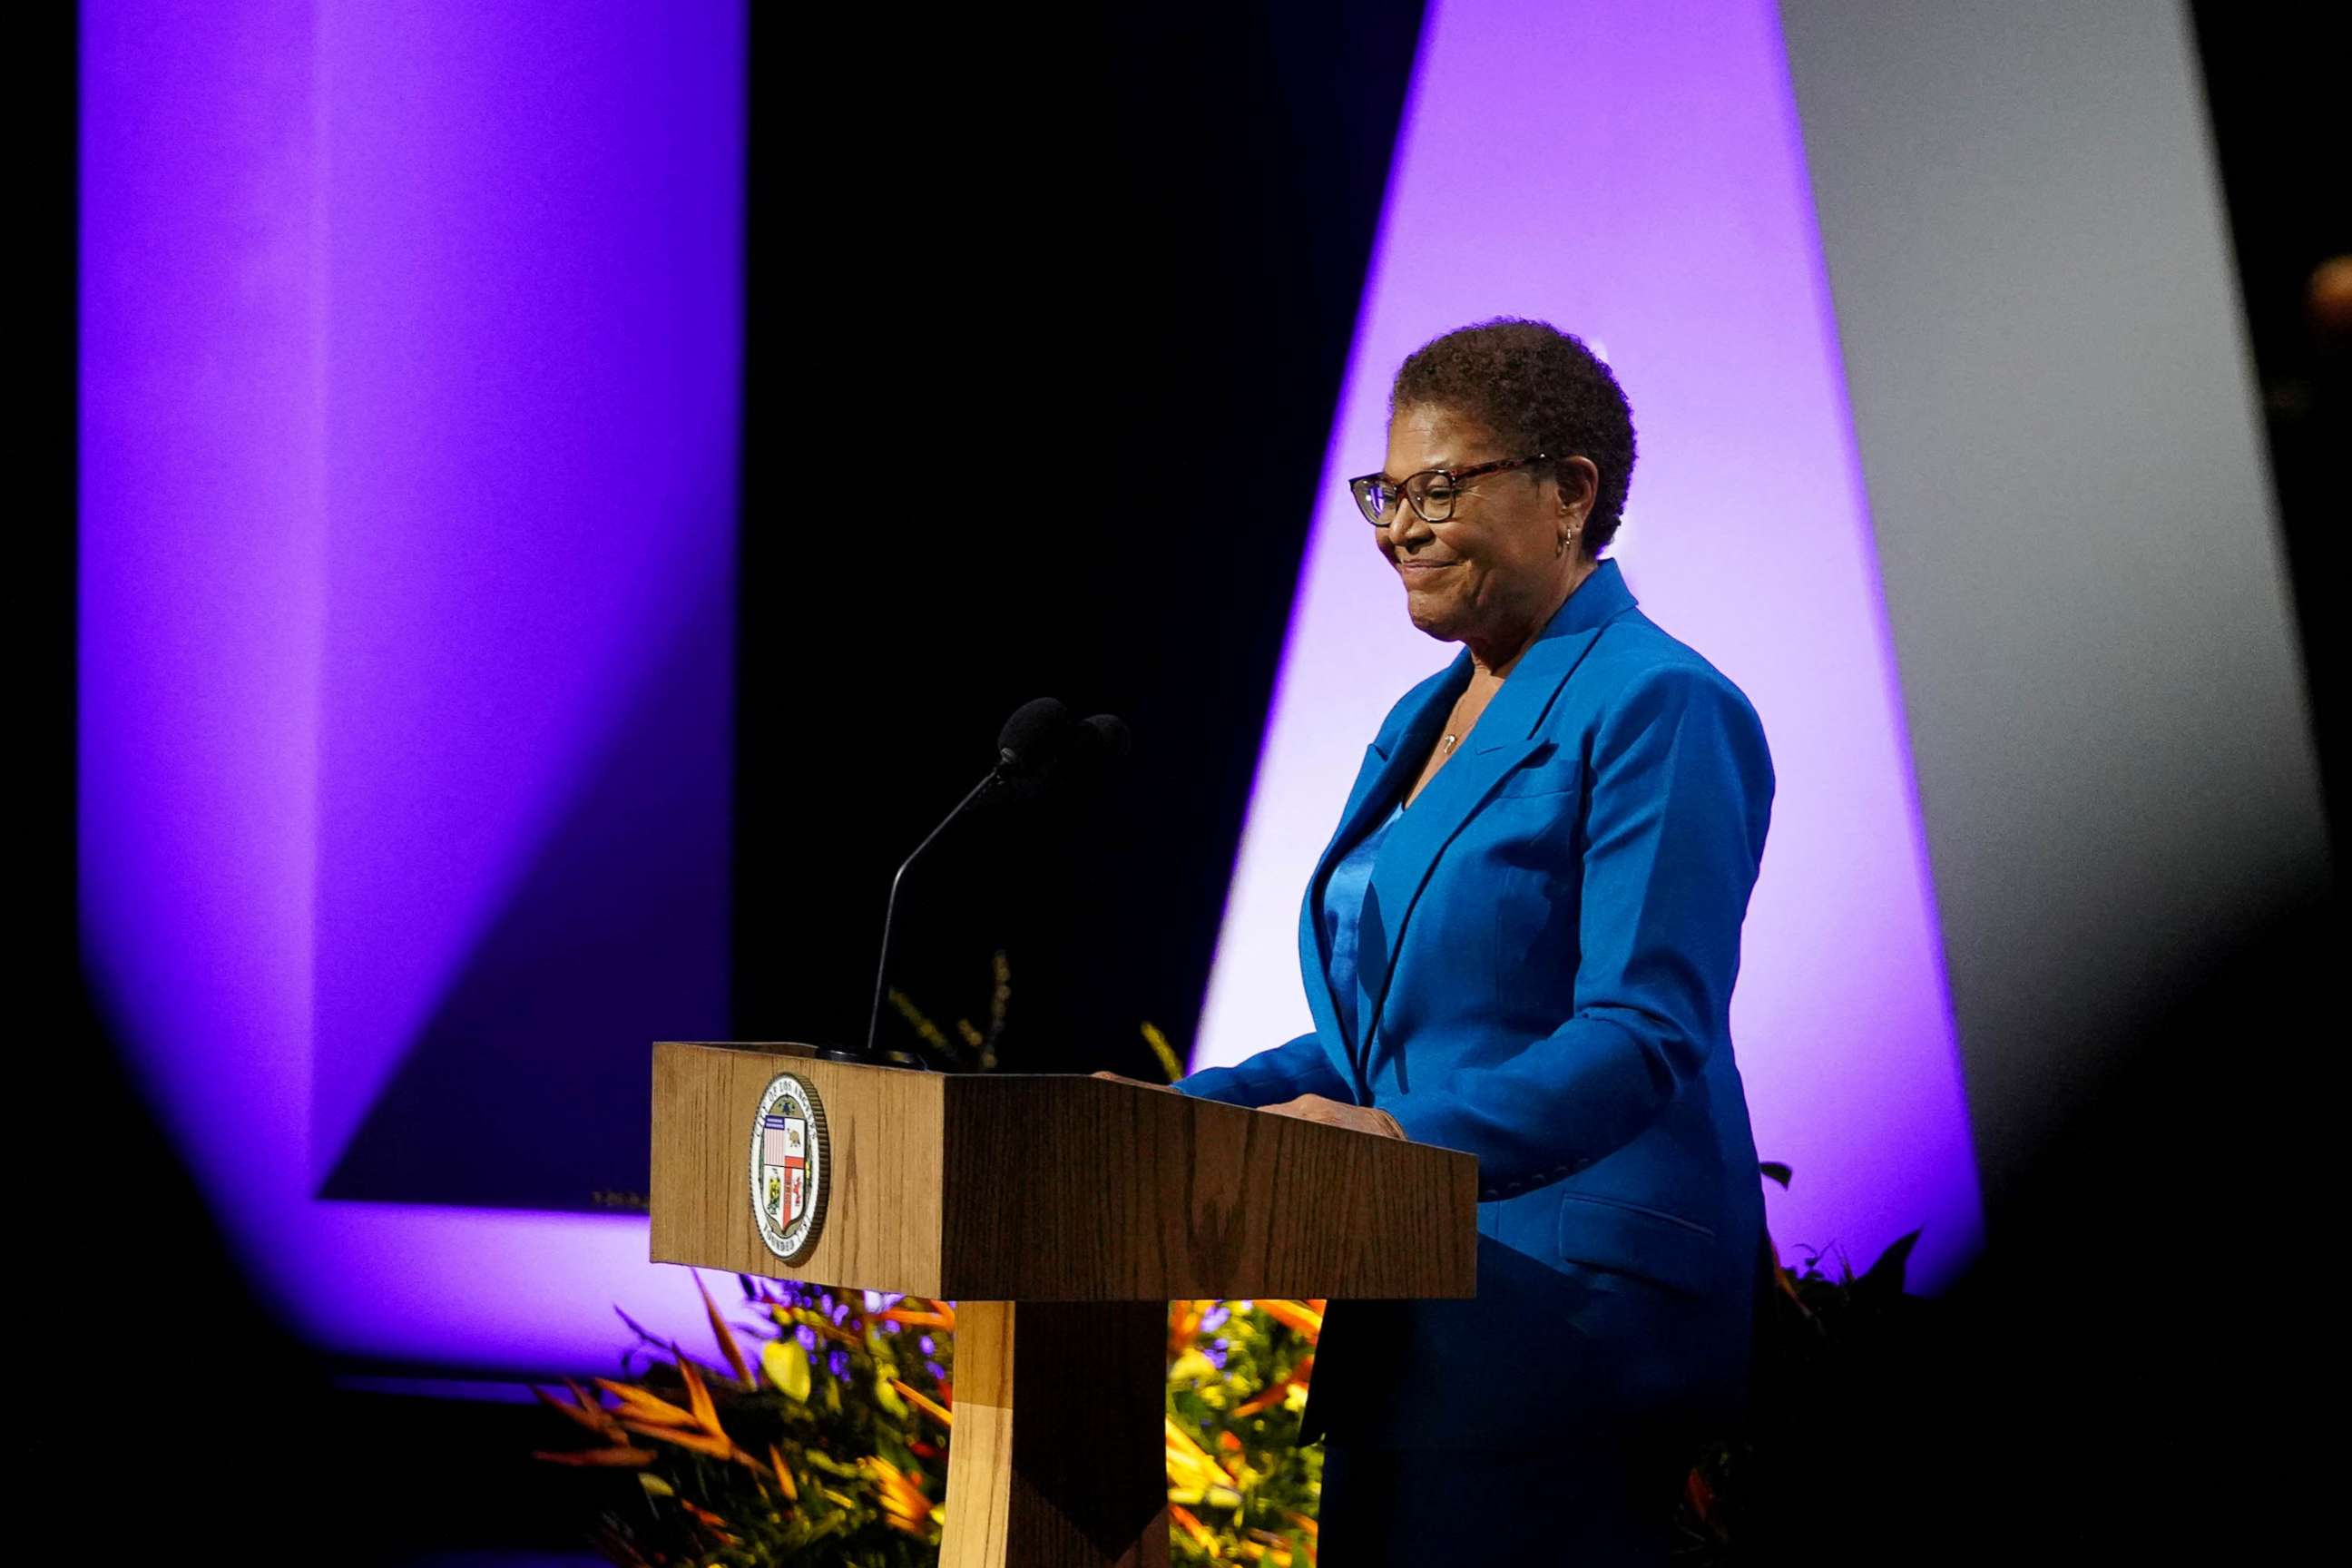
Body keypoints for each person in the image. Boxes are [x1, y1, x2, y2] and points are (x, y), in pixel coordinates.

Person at [1162, 318, 1773, 1562]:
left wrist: (1392, 1144)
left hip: (1570, 1324)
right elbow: (1382, 1040)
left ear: (1569, 495)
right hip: (1417, 1312)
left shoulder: (1660, 701)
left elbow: (1644, 1030)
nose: (1397, 527)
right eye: (1385, 492)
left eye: (1439, 487)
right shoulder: (1419, 715)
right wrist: (1181, 1117)